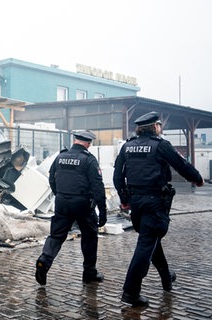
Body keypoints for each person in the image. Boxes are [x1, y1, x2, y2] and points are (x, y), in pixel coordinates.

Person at [113, 111, 204, 307]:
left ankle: (166, 277)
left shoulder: (127, 146)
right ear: (155, 127)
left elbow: (117, 177)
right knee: (146, 245)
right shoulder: (160, 145)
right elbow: (181, 165)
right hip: (155, 202)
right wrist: (197, 179)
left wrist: (125, 200)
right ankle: (130, 292)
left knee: (150, 239)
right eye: (159, 126)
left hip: (136, 203)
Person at [35, 130, 107, 286]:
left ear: (75, 140)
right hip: (83, 205)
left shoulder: (60, 157)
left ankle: (44, 261)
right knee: (89, 237)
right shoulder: (89, 160)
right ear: (88, 143)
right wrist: (103, 212)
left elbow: (52, 179)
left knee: (56, 235)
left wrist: (60, 195)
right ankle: (89, 273)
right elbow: (98, 188)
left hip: (62, 202)